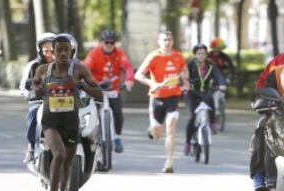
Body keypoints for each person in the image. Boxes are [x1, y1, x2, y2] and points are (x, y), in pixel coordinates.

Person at [33, 34, 102, 191]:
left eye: (66, 50)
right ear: (53, 53)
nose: (63, 53)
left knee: (67, 164)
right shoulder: (43, 70)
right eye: (59, 50)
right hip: (51, 121)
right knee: (59, 155)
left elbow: (99, 93)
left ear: (71, 51)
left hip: (71, 122)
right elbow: (35, 86)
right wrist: (37, 88)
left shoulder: (79, 69)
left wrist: (82, 86)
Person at [135, 31, 189, 173]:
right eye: (164, 40)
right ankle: (153, 130)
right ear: (159, 42)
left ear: (173, 41)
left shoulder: (178, 57)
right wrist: (152, 83)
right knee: (158, 134)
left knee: (170, 128)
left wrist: (184, 77)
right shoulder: (154, 57)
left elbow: (184, 70)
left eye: (170, 39)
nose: (167, 42)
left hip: (173, 97)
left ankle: (169, 161)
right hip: (157, 98)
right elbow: (138, 75)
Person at [83, 30, 134, 153]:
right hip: (96, 88)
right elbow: (84, 69)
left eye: (112, 42)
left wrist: (129, 80)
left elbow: (128, 67)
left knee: (118, 112)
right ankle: (92, 136)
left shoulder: (119, 54)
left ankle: (117, 137)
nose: (110, 45)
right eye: (107, 42)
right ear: (101, 43)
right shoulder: (94, 54)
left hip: (113, 88)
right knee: (92, 112)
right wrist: (83, 83)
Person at [250, 63, 284, 191]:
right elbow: (264, 91)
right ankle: (261, 177)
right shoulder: (277, 70)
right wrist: (269, 104)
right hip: (279, 116)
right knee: (263, 126)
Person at [184, 44, 227, 155]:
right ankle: (188, 142)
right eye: (199, 53)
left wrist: (222, 84)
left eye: (203, 53)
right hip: (192, 93)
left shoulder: (211, 66)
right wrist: (184, 85)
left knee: (211, 102)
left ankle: (212, 123)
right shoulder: (190, 65)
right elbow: (183, 76)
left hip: (205, 92)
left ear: (206, 54)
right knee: (192, 117)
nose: (201, 56)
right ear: (195, 54)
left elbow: (219, 76)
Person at [20, 32, 56, 163]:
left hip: (63, 102)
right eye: (45, 51)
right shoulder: (33, 66)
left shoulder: (67, 65)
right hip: (40, 102)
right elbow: (24, 86)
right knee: (33, 112)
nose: (49, 54)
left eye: (52, 50)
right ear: (40, 51)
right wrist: (30, 95)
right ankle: (31, 146)